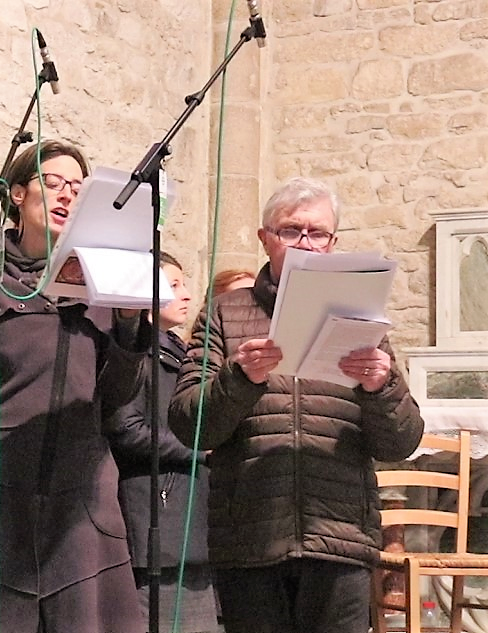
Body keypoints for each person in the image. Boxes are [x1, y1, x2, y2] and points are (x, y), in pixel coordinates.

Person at [168, 177, 424, 633]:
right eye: (290, 230)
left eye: (318, 233)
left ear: (333, 243)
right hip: (251, 537)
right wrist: (239, 378)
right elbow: (190, 426)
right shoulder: (225, 313)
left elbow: (400, 443)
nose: (305, 243)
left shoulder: (361, 315)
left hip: (339, 536)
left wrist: (380, 386)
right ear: (265, 238)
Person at [0, 139, 149, 633]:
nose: (67, 195)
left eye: (78, 189)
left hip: (80, 498)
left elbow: (117, 399)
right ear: (17, 193)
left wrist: (129, 323)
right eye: (54, 182)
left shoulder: (101, 277)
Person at [106, 252, 221, 633]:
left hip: (192, 514)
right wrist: (199, 449)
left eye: (184, 283)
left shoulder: (180, 350)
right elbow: (126, 428)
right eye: (173, 286)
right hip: (158, 511)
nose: (186, 294)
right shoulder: (136, 353)